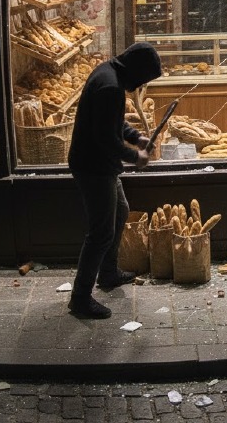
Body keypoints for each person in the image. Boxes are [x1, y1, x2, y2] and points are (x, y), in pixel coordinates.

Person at [67, 42, 162, 318]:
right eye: (144, 78)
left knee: (120, 211)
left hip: (99, 163)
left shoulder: (109, 74)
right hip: (93, 167)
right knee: (100, 233)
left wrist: (136, 137)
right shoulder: (110, 87)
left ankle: (107, 272)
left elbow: (113, 123)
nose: (141, 84)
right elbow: (106, 139)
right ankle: (80, 298)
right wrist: (136, 157)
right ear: (136, 71)